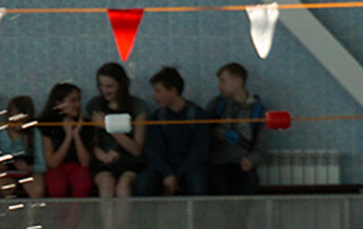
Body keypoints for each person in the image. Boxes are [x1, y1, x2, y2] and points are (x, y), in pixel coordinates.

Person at [135, 67, 211, 197]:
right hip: (162, 169)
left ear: (172, 91)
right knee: (144, 183)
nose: (154, 96)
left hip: (189, 168)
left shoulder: (197, 115)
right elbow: (153, 152)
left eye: (158, 91)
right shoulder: (156, 118)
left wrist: (177, 174)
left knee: (198, 183)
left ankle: (197, 218)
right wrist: (167, 173)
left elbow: (200, 152)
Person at [87, 61, 147, 199]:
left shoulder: (137, 107)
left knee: (123, 188)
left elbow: (137, 150)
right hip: (104, 161)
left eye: (109, 86)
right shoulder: (95, 105)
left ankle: (123, 222)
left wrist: (108, 126)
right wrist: (103, 156)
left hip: (130, 162)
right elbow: (91, 142)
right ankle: (108, 222)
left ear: (121, 85)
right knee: (107, 185)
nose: (104, 91)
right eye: (100, 86)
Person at [209, 62, 265, 196]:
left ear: (237, 82)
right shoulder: (217, 105)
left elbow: (261, 144)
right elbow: (202, 133)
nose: (219, 86)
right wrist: (217, 134)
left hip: (242, 162)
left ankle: (239, 218)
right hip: (218, 162)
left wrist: (251, 160)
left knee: (248, 186)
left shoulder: (257, 110)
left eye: (223, 81)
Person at [37, 83, 94, 198]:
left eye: (79, 100)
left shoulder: (86, 124)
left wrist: (76, 134)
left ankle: (75, 216)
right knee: (57, 186)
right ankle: (61, 216)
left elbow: (85, 163)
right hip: (58, 168)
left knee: (83, 184)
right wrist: (68, 136)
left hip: (78, 167)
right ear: (59, 104)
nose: (78, 105)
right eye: (73, 101)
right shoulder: (47, 125)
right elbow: (53, 163)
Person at [0, 95, 45, 199]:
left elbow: (42, 164)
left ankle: (32, 214)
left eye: (22, 121)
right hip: (5, 172)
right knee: (5, 187)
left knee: (36, 189)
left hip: (28, 172)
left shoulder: (34, 133)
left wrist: (29, 168)